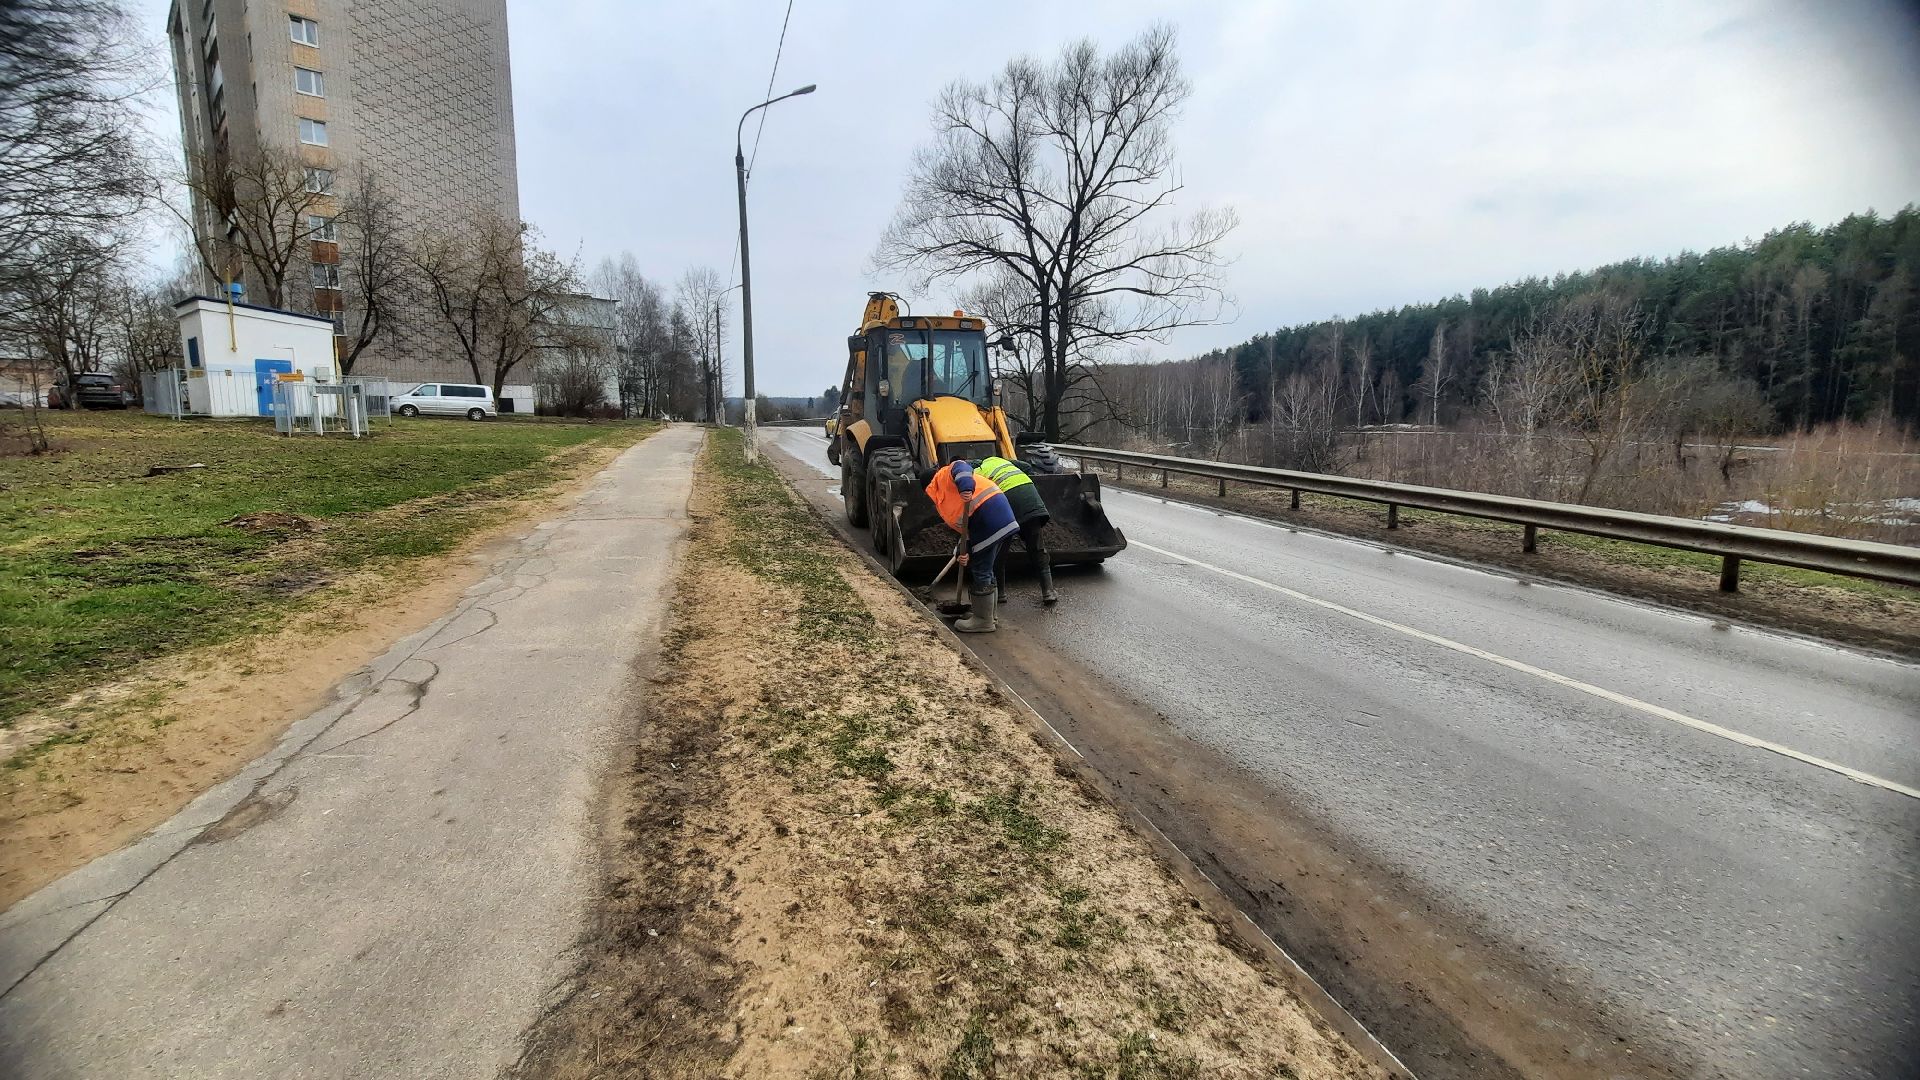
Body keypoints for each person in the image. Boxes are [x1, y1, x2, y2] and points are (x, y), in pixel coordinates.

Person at [925, 459, 1018, 633]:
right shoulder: (949, 497)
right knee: (987, 569)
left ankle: (983, 620)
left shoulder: (945, 476)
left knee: (981, 569)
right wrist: (961, 551)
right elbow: (966, 530)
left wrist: (965, 487)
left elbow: (962, 466)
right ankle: (990, 616)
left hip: (989, 519)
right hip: (999, 519)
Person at [978, 455, 1057, 604]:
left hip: (1007, 504)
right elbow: (1027, 467)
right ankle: (1048, 591)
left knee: (999, 551)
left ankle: (1000, 594)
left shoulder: (978, 470)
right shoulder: (1005, 462)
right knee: (1037, 548)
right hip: (1031, 501)